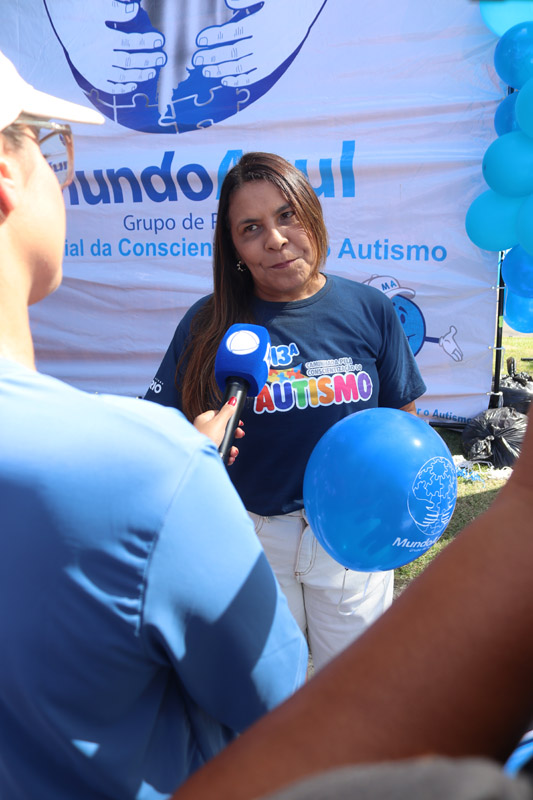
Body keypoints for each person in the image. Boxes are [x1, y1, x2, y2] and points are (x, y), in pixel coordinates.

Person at [0, 52, 307, 800]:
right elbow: (293, 725)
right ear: (6, 176)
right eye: (49, 148)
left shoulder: (152, 469)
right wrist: (174, 484)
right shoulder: (150, 472)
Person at [145, 151, 426, 670]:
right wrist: (198, 440)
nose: (274, 239)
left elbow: (402, 420)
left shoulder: (371, 309)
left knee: (356, 687)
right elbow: (163, 431)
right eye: (251, 228)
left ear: (312, 215)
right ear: (234, 248)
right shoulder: (208, 324)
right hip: (252, 536)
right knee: (276, 697)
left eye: (286, 215)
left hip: (350, 535)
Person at [173, 411, 533, 800]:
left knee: (364, 710)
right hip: (258, 532)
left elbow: (403, 419)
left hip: (358, 539)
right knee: (263, 701)